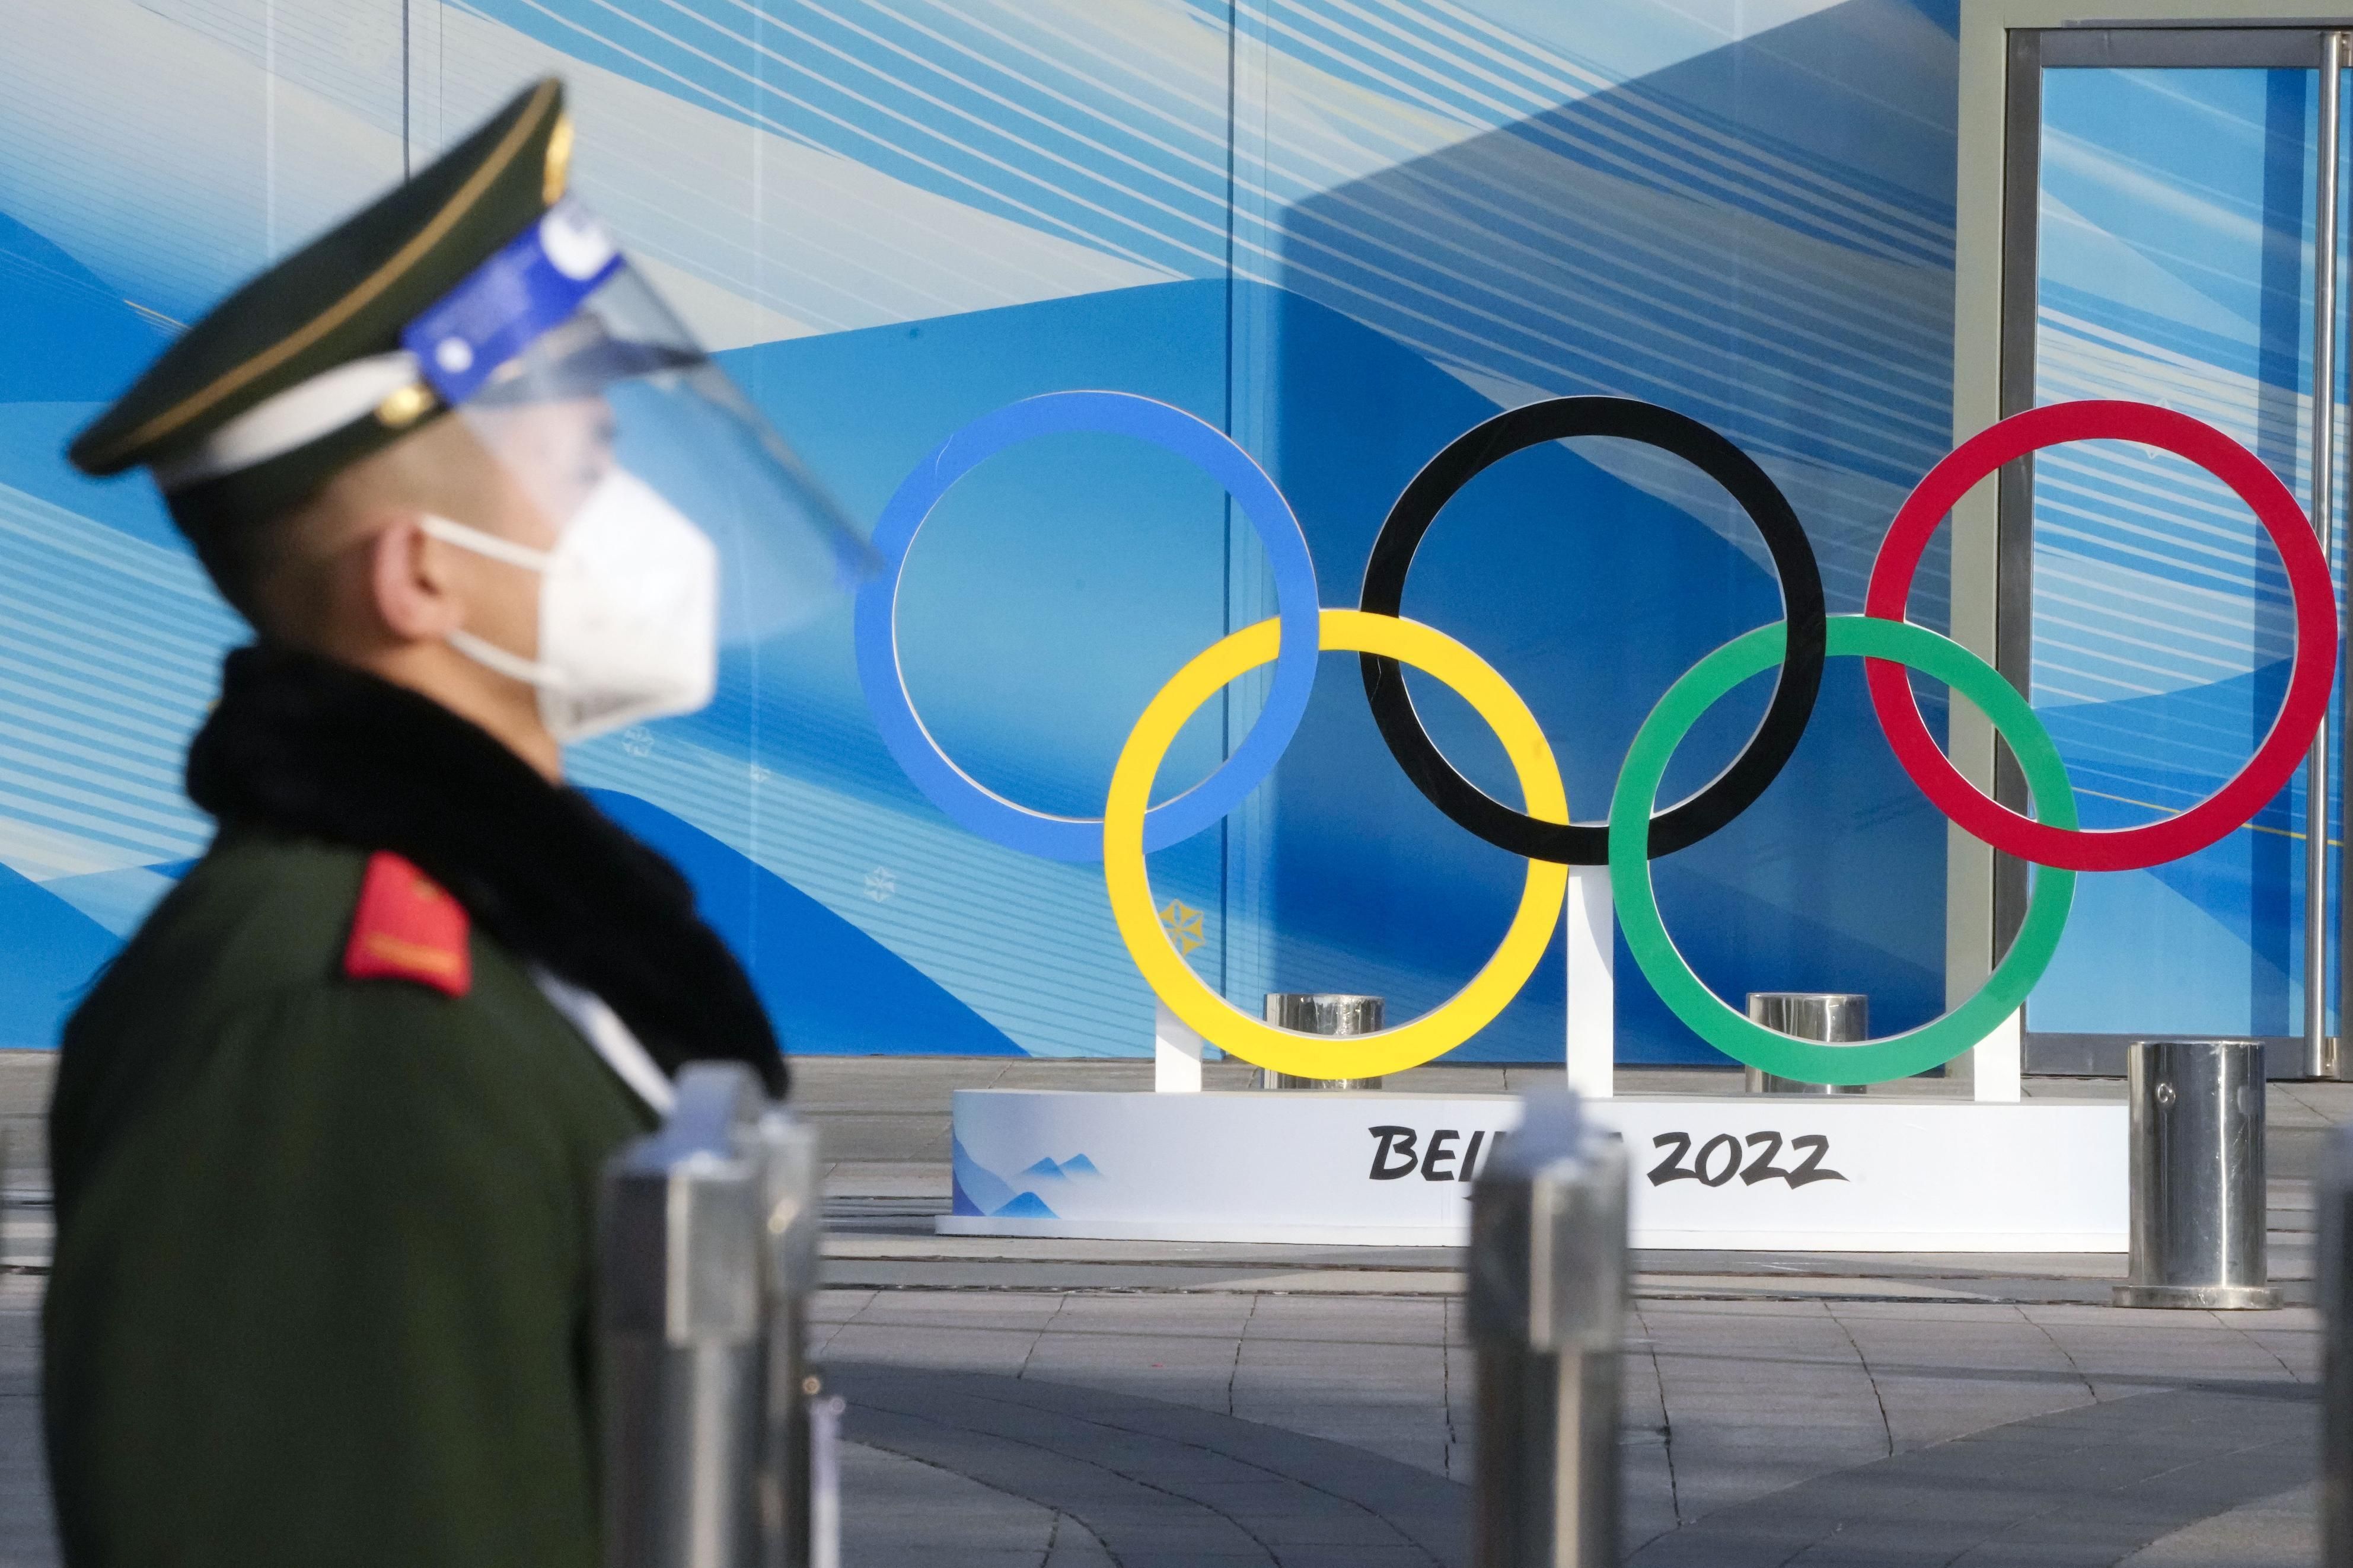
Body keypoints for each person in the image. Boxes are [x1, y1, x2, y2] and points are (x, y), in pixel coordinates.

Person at [42, 78, 864, 1567]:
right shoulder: (343, 1017)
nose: (651, 527)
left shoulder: (499, 932)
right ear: (420, 577)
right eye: (589, 474)